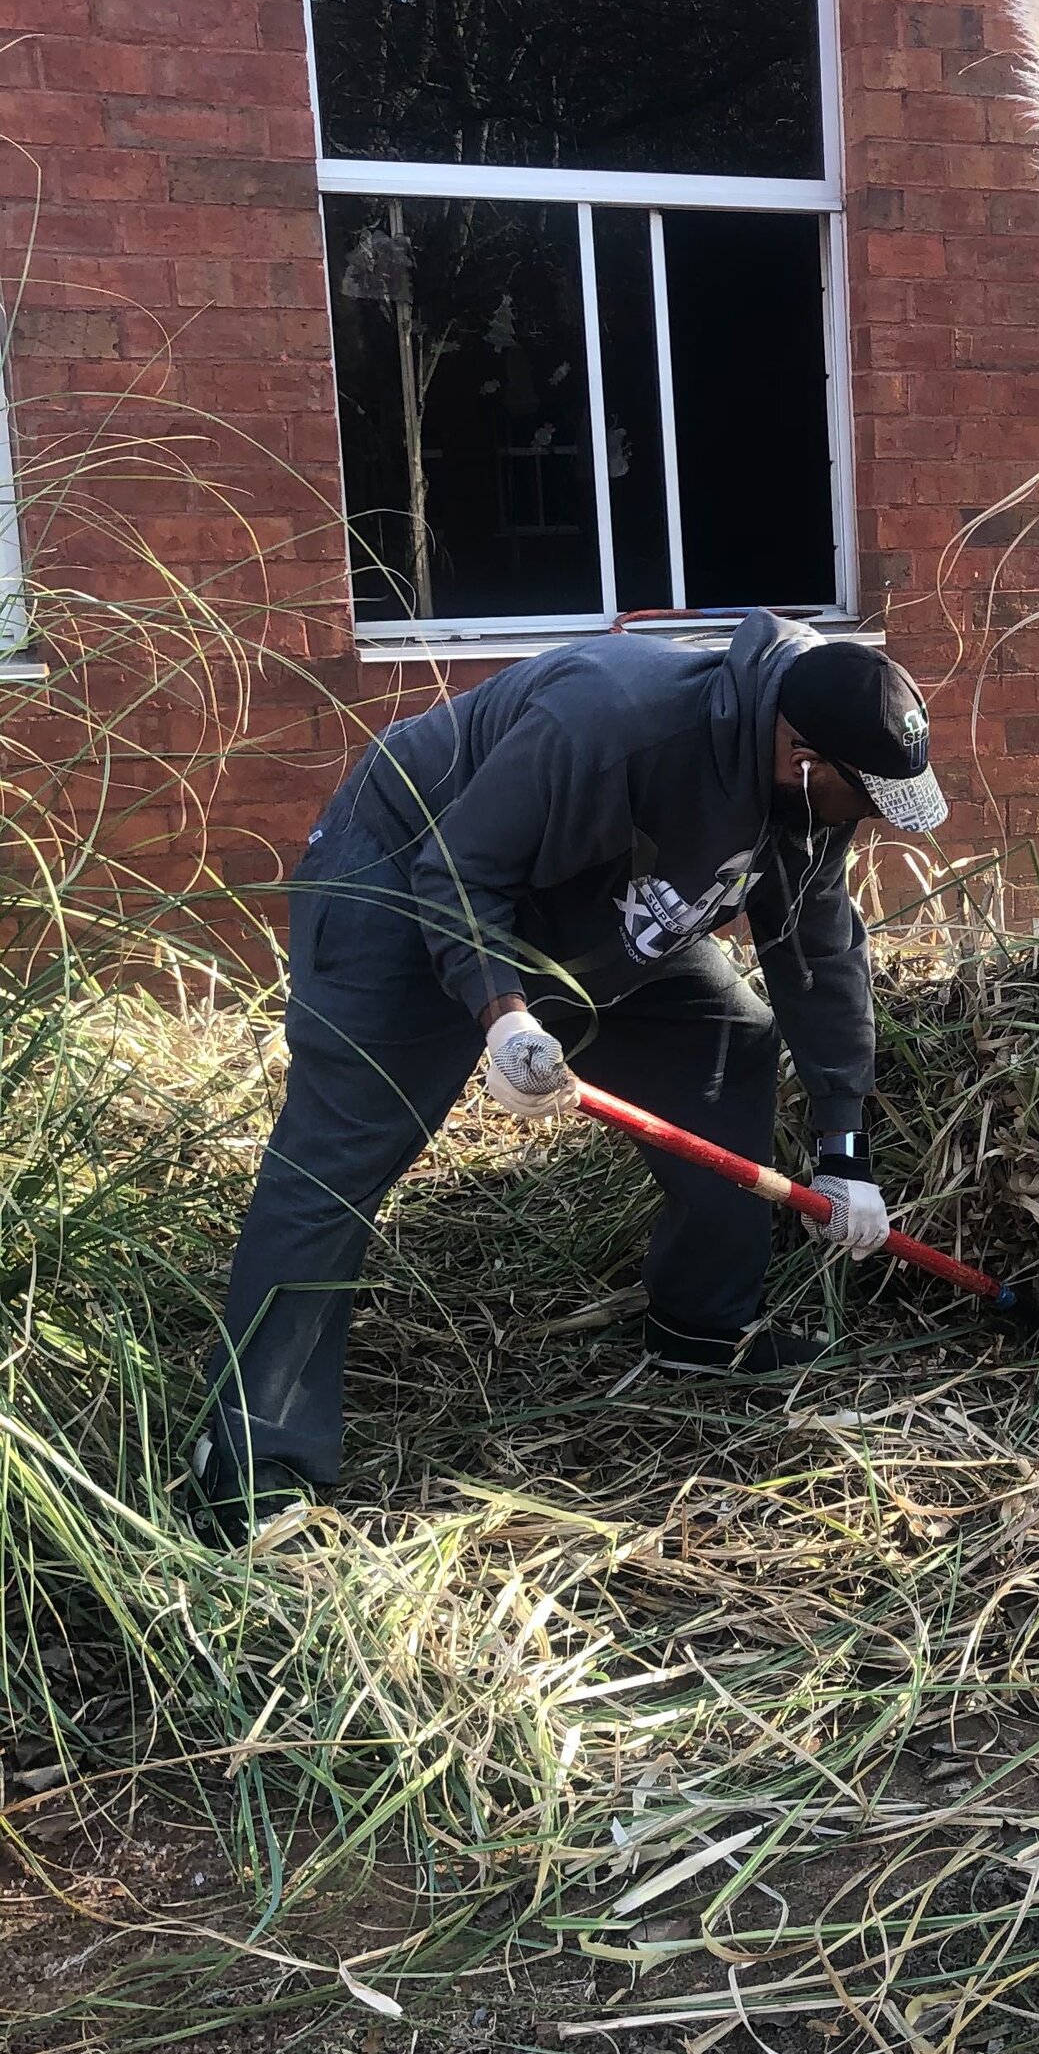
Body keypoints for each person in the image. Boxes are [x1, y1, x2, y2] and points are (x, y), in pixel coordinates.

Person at [191, 618, 946, 1534]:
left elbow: (820, 956)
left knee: (727, 1039)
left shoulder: (809, 792)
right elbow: (461, 869)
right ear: (802, 754)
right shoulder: (617, 720)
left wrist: (844, 1144)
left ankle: (701, 1324)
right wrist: (503, 1013)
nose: (862, 815)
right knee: (342, 1155)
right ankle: (251, 1458)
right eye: (859, 794)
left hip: (586, 900)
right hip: (409, 871)